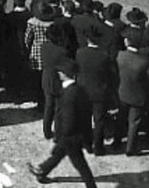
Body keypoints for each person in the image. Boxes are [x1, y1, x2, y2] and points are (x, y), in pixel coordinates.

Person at [27, 58, 98, 188]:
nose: (58, 73)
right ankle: (42, 171)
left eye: (60, 71)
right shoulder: (79, 89)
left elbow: (68, 119)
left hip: (70, 137)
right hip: (76, 134)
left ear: (65, 74)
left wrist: (62, 135)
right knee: (58, 154)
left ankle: (91, 186)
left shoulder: (69, 94)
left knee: (80, 164)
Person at [75, 27, 118, 155]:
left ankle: (87, 145)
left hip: (84, 91)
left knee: (85, 119)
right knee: (99, 120)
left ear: (87, 39)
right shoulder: (104, 55)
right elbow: (111, 75)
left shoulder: (80, 53)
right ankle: (98, 147)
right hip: (100, 92)